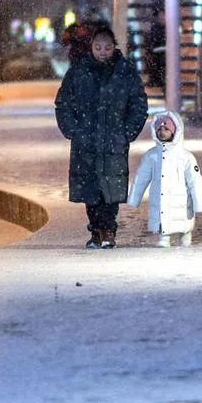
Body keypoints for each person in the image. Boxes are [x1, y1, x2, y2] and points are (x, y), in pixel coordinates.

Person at [54, 25, 148, 249]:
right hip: (85, 141)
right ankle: (95, 230)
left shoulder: (125, 72)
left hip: (114, 141)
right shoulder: (79, 71)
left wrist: (127, 132)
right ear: (91, 47)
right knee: (90, 190)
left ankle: (108, 230)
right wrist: (72, 130)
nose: (103, 52)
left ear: (113, 47)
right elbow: (63, 103)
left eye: (107, 47)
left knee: (111, 190)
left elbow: (138, 104)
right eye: (98, 47)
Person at [127, 109, 202, 247]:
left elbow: (195, 182)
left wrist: (199, 202)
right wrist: (134, 199)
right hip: (160, 195)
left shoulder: (186, 157)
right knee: (161, 213)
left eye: (166, 129)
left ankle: (185, 233)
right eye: (159, 129)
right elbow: (141, 178)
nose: (162, 132)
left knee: (183, 217)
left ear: (175, 131)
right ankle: (163, 235)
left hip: (181, 197)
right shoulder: (152, 156)